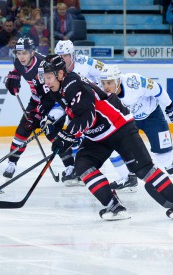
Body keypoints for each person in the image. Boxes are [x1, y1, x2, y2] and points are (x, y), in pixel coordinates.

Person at [39, 54, 173, 221]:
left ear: (61, 74)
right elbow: (75, 114)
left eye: (48, 77)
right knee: (84, 165)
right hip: (97, 134)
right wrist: (63, 133)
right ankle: (115, 207)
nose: (46, 81)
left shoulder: (72, 84)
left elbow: (86, 117)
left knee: (143, 169)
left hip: (119, 126)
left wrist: (66, 136)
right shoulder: (58, 88)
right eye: (44, 77)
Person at [54, 39, 137, 190]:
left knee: (105, 140)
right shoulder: (58, 71)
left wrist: (103, 93)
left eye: (64, 55)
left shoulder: (86, 62)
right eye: (58, 55)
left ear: (72, 55)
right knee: (74, 138)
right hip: (80, 110)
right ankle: (78, 171)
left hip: (98, 110)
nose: (61, 59)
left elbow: (109, 73)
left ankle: (127, 175)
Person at [3, 37, 77, 186]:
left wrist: (39, 113)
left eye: (24, 53)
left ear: (32, 52)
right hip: (37, 100)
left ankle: (71, 167)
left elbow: (51, 92)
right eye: (18, 53)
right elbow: (18, 69)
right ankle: (12, 163)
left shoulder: (44, 65)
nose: (21, 56)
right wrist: (14, 76)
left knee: (54, 135)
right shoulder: (18, 61)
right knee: (24, 128)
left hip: (54, 101)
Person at [100, 65, 173, 175]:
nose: (106, 87)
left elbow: (157, 89)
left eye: (109, 82)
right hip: (128, 121)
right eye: (103, 83)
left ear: (118, 80)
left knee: (165, 157)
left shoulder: (134, 82)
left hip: (151, 115)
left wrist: (170, 105)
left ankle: (167, 161)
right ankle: (128, 176)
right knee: (121, 148)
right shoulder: (101, 92)